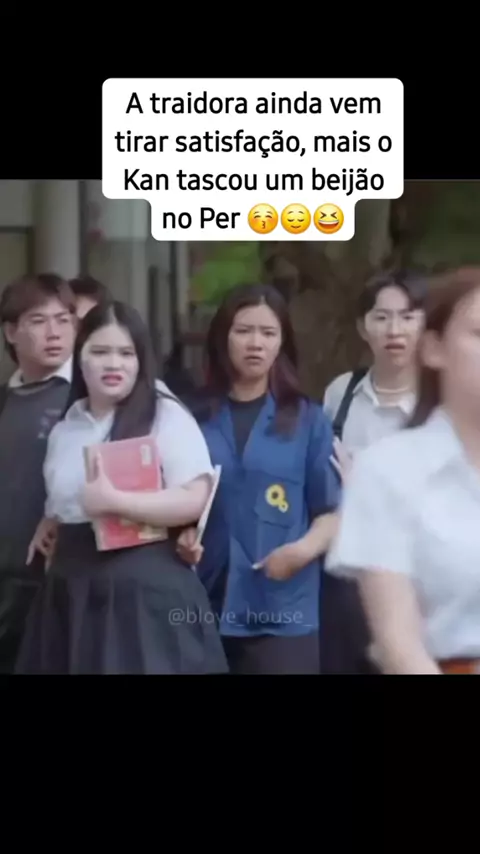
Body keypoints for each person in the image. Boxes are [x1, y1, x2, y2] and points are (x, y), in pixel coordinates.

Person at [16, 300, 228, 674]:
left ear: (141, 361)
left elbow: (194, 497)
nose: (113, 364)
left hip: (146, 591)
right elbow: (64, 501)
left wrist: (116, 501)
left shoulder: (164, 414)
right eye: (100, 352)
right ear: (80, 357)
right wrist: (51, 521)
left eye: (126, 353)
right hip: (72, 591)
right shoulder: (67, 428)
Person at [176, 283, 340, 675]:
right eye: (243, 331)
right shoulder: (189, 417)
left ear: (282, 343)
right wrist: (180, 534)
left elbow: (332, 511)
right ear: (223, 337)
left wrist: (301, 552)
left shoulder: (308, 420)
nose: (256, 343)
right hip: (200, 603)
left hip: (282, 609)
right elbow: (170, 496)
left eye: (268, 333)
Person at [325, 266, 480, 674]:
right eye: (479, 334)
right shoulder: (387, 471)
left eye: (406, 316)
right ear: (434, 348)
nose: (394, 329)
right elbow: (399, 646)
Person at [320, 270, 427, 674]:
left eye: (407, 317)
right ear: (363, 328)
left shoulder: (445, 401)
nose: (394, 330)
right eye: (381, 317)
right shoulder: (341, 394)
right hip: (349, 584)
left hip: (422, 584)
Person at [0, 273, 76, 673]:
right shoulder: (5, 401)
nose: (54, 332)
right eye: (38, 320)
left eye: (64, 320)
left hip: (61, 584)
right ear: (11, 332)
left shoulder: (88, 398)